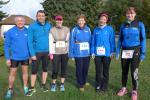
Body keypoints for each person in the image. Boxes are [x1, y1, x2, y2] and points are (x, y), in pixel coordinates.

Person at [116, 7, 146, 100]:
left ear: (135, 14)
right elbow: (120, 39)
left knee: (134, 71)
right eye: (128, 13)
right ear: (126, 15)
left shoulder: (139, 24)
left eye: (132, 13)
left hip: (136, 50)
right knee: (124, 71)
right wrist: (117, 52)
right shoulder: (123, 25)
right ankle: (124, 88)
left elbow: (143, 39)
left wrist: (143, 53)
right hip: (125, 51)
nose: (130, 15)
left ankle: (134, 90)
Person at [26, 10, 52, 96]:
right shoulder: (32, 26)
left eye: (42, 16)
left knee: (45, 69)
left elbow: (52, 39)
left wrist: (51, 51)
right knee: (34, 71)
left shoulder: (49, 25)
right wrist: (32, 54)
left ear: (45, 17)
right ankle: (32, 88)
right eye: (39, 16)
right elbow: (29, 41)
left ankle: (43, 85)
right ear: (36, 17)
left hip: (47, 52)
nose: (41, 17)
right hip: (36, 52)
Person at [4, 15, 30, 99]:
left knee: (25, 72)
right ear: (15, 22)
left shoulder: (28, 31)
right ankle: (10, 89)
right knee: (12, 73)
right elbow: (6, 46)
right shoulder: (10, 31)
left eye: (21, 20)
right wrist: (8, 58)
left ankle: (25, 87)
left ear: (24, 22)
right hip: (14, 57)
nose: (20, 22)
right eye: (18, 21)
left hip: (25, 56)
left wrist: (30, 56)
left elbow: (30, 44)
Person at [91, 12, 116, 92]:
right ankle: (98, 85)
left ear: (106, 20)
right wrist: (92, 52)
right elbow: (93, 42)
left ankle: (104, 86)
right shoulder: (95, 30)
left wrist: (112, 51)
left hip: (107, 54)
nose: (102, 20)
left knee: (105, 71)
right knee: (98, 70)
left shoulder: (110, 29)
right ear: (99, 20)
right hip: (97, 54)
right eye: (101, 19)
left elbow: (112, 41)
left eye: (104, 19)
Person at [69, 14, 91, 91]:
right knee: (79, 69)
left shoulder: (88, 29)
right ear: (77, 21)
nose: (81, 22)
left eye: (82, 20)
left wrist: (91, 52)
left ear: (85, 21)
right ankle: (80, 84)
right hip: (78, 54)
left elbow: (90, 41)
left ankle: (84, 81)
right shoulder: (74, 30)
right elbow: (71, 41)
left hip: (87, 53)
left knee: (85, 68)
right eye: (79, 20)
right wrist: (71, 53)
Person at [49, 15, 70, 92]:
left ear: (62, 21)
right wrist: (51, 52)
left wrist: (68, 51)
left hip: (65, 52)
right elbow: (50, 42)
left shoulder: (67, 29)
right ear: (55, 21)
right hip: (55, 53)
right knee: (55, 69)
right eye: (57, 20)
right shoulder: (52, 30)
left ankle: (62, 84)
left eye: (60, 20)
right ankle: (53, 84)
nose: (58, 21)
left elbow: (68, 41)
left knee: (63, 69)